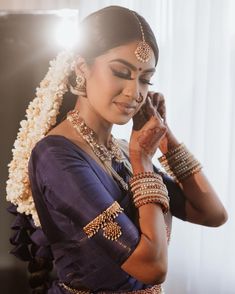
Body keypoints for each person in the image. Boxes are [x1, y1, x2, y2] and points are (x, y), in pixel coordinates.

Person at [6, 5, 228, 294]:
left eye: (145, 79)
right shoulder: (57, 157)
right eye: (121, 72)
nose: (135, 92)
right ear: (82, 68)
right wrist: (143, 162)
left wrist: (165, 136)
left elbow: (211, 213)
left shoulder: (121, 152)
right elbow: (153, 267)